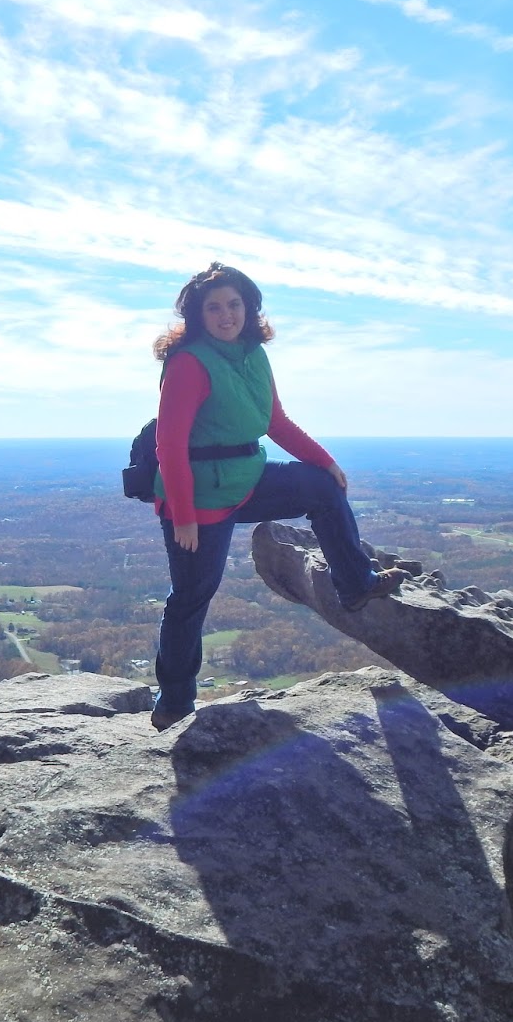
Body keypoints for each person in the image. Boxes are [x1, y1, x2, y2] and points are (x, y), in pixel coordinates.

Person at [147, 262, 406, 730]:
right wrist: (182, 515)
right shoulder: (189, 362)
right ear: (197, 315)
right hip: (200, 494)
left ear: (249, 308)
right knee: (191, 596)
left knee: (322, 490)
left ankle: (355, 583)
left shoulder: (252, 354)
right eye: (214, 307)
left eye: (234, 305)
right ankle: (174, 702)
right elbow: (170, 445)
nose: (226, 315)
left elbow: (276, 423)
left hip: (247, 477)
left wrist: (325, 462)